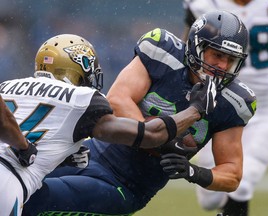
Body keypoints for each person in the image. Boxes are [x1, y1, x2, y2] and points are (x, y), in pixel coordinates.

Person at [23, 10, 256, 215]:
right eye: (217, 55)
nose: (223, 66)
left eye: (231, 60)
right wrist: (160, 141)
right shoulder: (162, 51)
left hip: (125, 187)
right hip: (91, 154)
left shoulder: (233, 101)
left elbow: (232, 174)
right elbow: (117, 100)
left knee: (36, 198)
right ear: (197, 46)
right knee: (16, 181)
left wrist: (194, 172)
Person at [0, 33, 216, 216]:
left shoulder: (6, 86)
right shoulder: (81, 98)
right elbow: (149, 135)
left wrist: (57, 154)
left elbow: (13, 125)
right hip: (8, 184)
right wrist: (195, 110)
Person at [182, 0, 268, 215]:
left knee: (243, 182)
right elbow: (188, 47)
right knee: (210, 198)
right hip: (219, 105)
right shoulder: (202, 4)